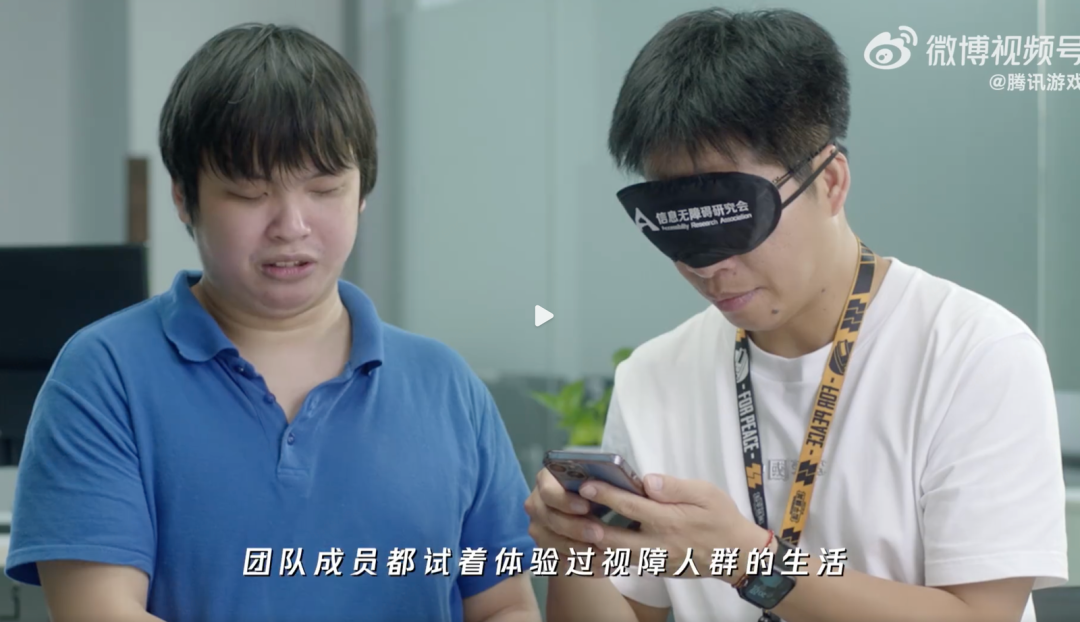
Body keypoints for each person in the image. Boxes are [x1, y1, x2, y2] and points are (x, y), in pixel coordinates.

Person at [525, 8, 1067, 622]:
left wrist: (752, 564)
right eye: (675, 228)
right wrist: (576, 549)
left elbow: (983, 615)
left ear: (830, 181)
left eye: (733, 218)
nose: (708, 265)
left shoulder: (972, 353)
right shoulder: (655, 377)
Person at [7, 24, 539, 622]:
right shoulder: (105, 376)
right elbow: (101, 611)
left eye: (324, 188)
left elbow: (504, 605)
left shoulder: (445, 385)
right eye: (249, 192)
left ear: (362, 193)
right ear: (184, 197)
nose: (291, 225)